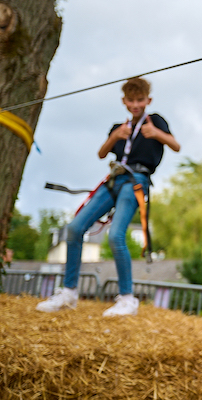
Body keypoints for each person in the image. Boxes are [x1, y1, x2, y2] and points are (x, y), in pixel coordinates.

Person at [37, 77, 180, 317]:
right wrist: (115, 136)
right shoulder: (119, 127)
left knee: (115, 235)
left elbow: (176, 145)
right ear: (124, 102)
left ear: (148, 100)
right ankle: (69, 291)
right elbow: (102, 153)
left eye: (140, 100)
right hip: (114, 180)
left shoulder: (155, 121)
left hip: (136, 181)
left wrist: (155, 133)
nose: (136, 105)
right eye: (131, 100)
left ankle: (127, 298)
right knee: (74, 228)